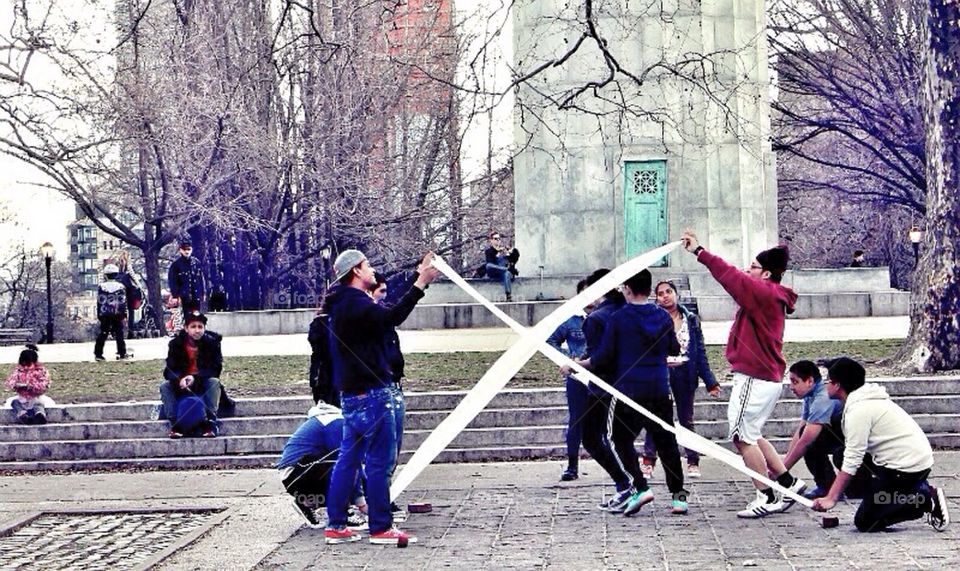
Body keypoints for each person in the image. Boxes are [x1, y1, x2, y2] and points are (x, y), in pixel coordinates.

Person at [681, 230, 806, 518]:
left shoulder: (763, 292)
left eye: (753, 266)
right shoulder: (770, 294)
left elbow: (730, 275)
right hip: (763, 377)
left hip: (755, 377)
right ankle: (789, 483)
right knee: (752, 434)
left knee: (740, 437)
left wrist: (700, 251)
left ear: (766, 273)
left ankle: (768, 495)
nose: (748, 271)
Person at [323, 249, 440, 546]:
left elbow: (385, 311)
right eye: (368, 265)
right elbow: (392, 316)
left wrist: (417, 278)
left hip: (352, 395)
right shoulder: (356, 303)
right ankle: (380, 527)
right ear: (356, 271)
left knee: (349, 460)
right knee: (379, 461)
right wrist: (420, 284)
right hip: (373, 394)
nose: (372, 270)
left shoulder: (344, 304)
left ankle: (336, 524)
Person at [572, 269, 689, 516]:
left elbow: (603, 357)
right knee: (666, 442)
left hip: (629, 391)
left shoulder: (619, 318)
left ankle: (640, 486)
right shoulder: (662, 315)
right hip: (659, 388)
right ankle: (679, 497)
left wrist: (576, 365)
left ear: (627, 288)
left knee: (618, 439)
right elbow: (673, 348)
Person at [812, 357, 950, 533]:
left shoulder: (860, 410)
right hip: (905, 461)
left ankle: (924, 499)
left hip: (906, 468)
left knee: (865, 521)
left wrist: (831, 498)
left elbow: (853, 458)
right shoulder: (863, 401)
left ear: (838, 385)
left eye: (828, 381)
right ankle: (890, 493)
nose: (825, 386)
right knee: (840, 454)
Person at [565, 268, 635, 512]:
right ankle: (628, 486)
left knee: (595, 437)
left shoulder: (597, 318)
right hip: (632, 385)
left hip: (605, 388)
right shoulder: (626, 310)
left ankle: (629, 486)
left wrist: (577, 365)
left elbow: (600, 358)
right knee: (614, 438)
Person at [642, 280, 720, 479]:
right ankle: (648, 461)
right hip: (660, 374)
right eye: (660, 294)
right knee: (656, 417)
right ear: (656, 299)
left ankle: (692, 461)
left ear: (676, 294)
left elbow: (700, 352)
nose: (665, 296)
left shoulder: (691, 319)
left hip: (685, 373)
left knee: (686, 419)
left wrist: (710, 381)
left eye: (669, 292)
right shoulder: (652, 319)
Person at [277, 401, 367, 531]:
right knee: (346, 459)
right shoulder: (334, 421)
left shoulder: (333, 419)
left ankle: (308, 501)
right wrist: (361, 503)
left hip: (299, 475)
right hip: (296, 475)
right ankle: (340, 513)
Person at [780, 360, 848, 499]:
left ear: (810, 381)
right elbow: (801, 431)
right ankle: (827, 485)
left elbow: (806, 440)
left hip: (848, 440)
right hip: (839, 435)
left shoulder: (822, 398)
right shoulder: (810, 396)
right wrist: (781, 467)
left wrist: (781, 472)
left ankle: (831, 487)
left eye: (795, 382)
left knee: (812, 441)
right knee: (807, 435)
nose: (791, 387)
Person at [546, 279, 589, 482]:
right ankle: (572, 466)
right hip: (577, 378)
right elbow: (551, 341)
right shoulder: (572, 320)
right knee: (576, 420)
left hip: (602, 377)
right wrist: (568, 359)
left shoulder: (607, 317)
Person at [159, 311, 224, 438]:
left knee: (214, 382)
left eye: (200, 327)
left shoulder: (212, 343)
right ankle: (175, 423)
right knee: (165, 386)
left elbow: (215, 369)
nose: (197, 330)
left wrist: (195, 378)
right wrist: (180, 379)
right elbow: (169, 369)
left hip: (202, 382)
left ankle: (211, 420)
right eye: (193, 327)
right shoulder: (175, 344)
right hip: (182, 384)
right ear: (186, 328)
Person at [5, 344, 50, 425]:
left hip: (35, 397)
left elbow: (44, 384)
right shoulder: (18, 371)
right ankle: (23, 416)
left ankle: (40, 415)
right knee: (14, 402)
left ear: (35, 362)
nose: (25, 367)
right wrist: (16, 385)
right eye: (23, 364)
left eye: (28, 365)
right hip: (22, 398)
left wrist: (31, 386)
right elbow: (10, 382)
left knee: (38, 404)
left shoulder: (40, 371)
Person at [94, 264, 130, 361]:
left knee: (103, 333)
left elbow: (100, 302)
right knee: (119, 333)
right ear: (116, 274)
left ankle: (98, 354)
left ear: (106, 275)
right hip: (117, 314)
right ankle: (122, 353)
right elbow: (123, 302)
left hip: (105, 314)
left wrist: (99, 314)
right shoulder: (121, 286)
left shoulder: (102, 287)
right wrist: (124, 314)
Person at [168, 238, 206, 313]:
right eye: (184, 249)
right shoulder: (176, 265)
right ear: (180, 250)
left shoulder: (196, 263)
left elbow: (201, 279)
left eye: (189, 249)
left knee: (196, 316)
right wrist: (175, 296)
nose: (186, 251)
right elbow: (172, 281)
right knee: (186, 317)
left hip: (196, 296)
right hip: (183, 298)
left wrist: (203, 293)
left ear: (191, 250)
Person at [484, 231, 517, 301]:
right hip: (494, 272)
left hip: (502, 273)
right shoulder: (488, 251)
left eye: (499, 239)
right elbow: (490, 264)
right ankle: (506, 269)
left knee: (507, 273)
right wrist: (497, 255)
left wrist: (507, 254)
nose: (498, 240)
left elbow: (512, 261)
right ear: (491, 240)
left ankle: (508, 295)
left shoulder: (504, 250)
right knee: (488, 265)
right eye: (496, 239)